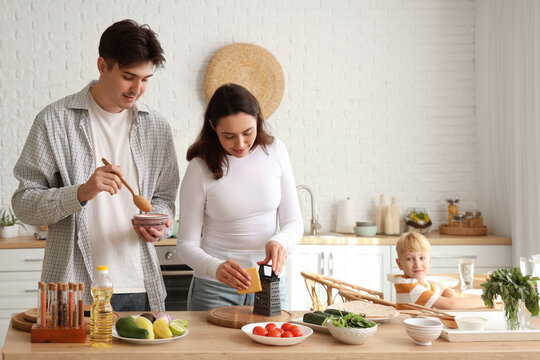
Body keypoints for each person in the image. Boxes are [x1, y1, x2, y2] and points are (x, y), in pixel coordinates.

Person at [11, 19, 179, 311]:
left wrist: (159, 225)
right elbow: (23, 203)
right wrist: (80, 193)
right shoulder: (54, 121)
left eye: (146, 79)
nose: (138, 89)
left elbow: (164, 198)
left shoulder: (157, 127)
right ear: (102, 65)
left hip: (139, 285)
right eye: (129, 76)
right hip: (71, 289)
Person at [177, 83, 303, 311]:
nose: (240, 144)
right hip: (215, 290)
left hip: (269, 283)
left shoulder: (275, 151)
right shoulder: (199, 168)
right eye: (229, 136)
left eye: (248, 132)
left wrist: (279, 241)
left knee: (273, 346)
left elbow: (293, 222)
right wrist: (215, 267)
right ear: (213, 126)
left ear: (258, 120)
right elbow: (186, 245)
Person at [392, 232, 485, 310]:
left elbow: (443, 288)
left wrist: (451, 297)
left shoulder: (422, 283)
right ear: (399, 264)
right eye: (409, 259)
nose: (417, 264)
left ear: (429, 260)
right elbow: (451, 305)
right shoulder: (410, 287)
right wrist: (484, 301)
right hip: (411, 331)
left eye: (422, 258)